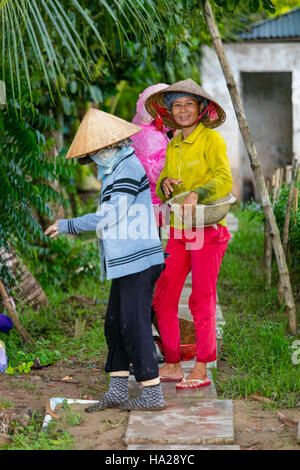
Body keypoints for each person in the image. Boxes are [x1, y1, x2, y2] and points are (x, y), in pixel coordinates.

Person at [45, 108, 166, 411]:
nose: (93, 159)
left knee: (134, 324)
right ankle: (117, 390)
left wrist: (68, 225)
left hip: (139, 261)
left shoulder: (127, 167)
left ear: (109, 145)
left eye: (95, 152)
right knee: (114, 324)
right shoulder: (115, 169)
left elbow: (110, 215)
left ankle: (152, 392)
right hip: (127, 261)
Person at [145, 79, 233, 389]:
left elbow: (224, 179)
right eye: (177, 105)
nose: (182, 110)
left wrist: (200, 192)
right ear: (170, 112)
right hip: (179, 230)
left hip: (207, 229)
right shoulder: (174, 144)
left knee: (201, 298)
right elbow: (162, 187)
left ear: (200, 109)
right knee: (164, 296)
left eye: (189, 104)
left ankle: (201, 368)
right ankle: (171, 362)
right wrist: (164, 184)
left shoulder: (212, 140)